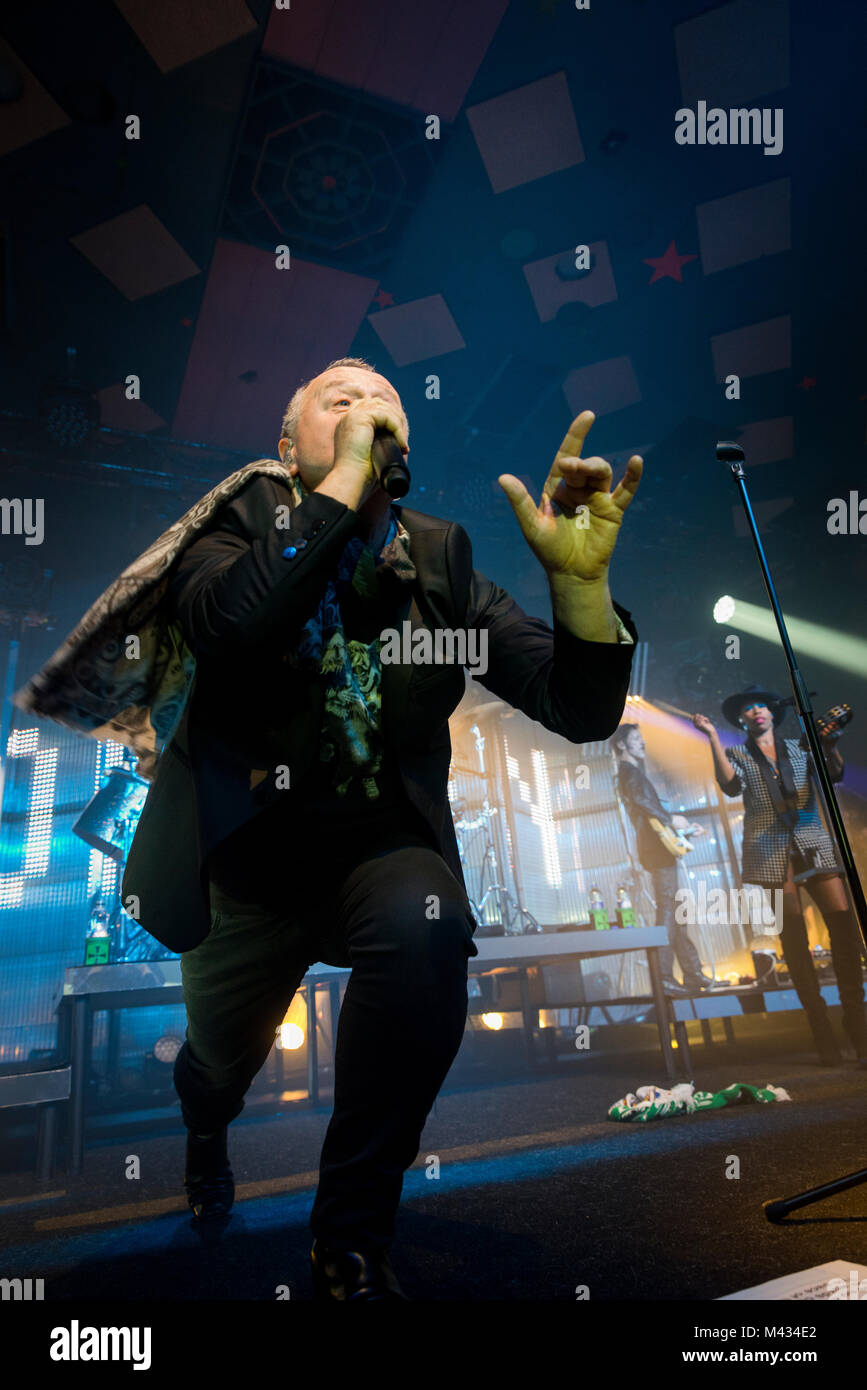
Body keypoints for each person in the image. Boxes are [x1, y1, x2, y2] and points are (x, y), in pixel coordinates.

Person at [89, 356, 641, 1300]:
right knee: (219, 1065)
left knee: (426, 926)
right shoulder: (225, 531)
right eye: (336, 403)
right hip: (247, 869)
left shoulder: (440, 557)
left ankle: (347, 1238)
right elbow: (232, 626)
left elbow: (576, 706)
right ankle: (205, 1127)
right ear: (287, 447)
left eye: (381, 402)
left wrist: (578, 591)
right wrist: (341, 488)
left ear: (405, 443)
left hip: (378, 851)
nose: (364, 410)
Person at [693, 684, 866, 1066]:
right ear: (742, 718)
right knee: (794, 935)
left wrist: (830, 744)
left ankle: (858, 1026)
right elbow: (729, 785)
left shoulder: (799, 747)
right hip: (768, 845)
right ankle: (822, 1033)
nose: (756, 711)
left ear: (773, 714)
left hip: (810, 835)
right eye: (748, 708)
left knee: (842, 925)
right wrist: (711, 739)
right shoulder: (737, 752)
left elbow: (833, 773)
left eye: (761, 706)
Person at [611, 723, 709, 994]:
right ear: (622, 745)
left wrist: (684, 830)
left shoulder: (633, 774)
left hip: (659, 849)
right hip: (655, 851)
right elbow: (645, 803)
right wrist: (672, 820)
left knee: (675, 911)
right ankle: (665, 978)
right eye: (636, 739)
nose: (643, 743)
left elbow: (650, 813)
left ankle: (692, 973)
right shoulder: (629, 774)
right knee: (668, 911)